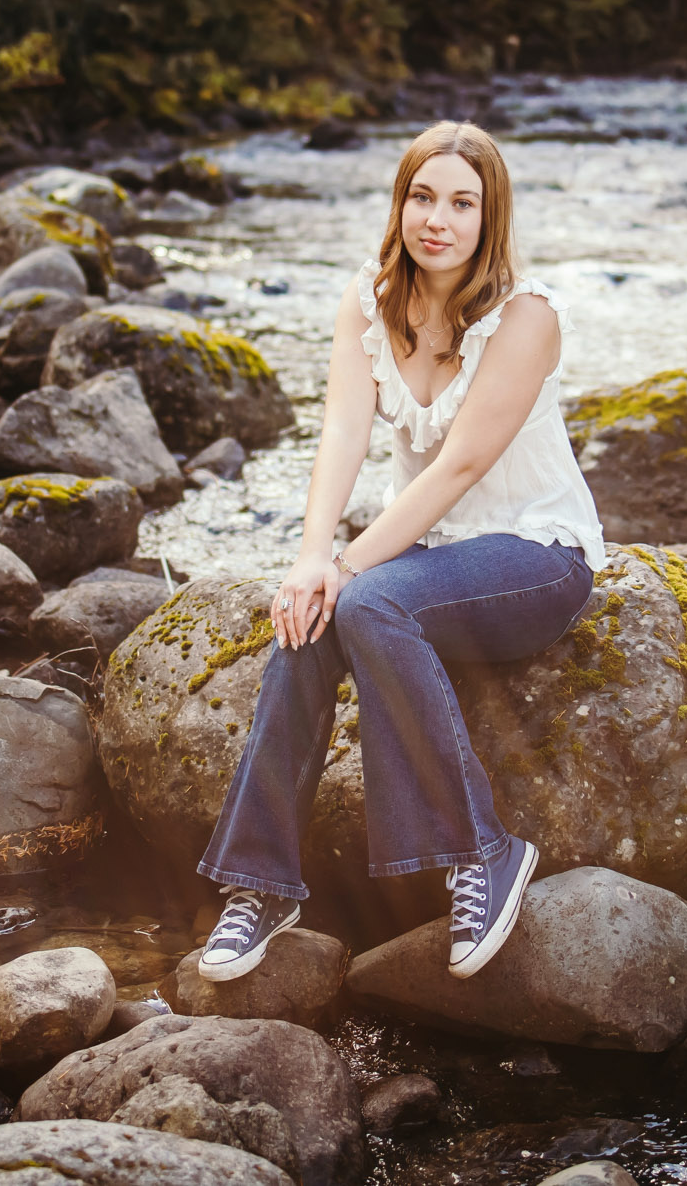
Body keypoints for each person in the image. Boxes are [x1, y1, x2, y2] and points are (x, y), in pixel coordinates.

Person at [194, 120, 606, 983]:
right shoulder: (370, 300)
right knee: (313, 616)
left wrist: (349, 567)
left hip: (535, 553)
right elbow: (342, 431)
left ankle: (484, 850)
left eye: (462, 203)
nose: (438, 220)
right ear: (400, 202)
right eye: (423, 196)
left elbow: (460, 465)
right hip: (427, 554)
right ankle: (260, 881)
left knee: (365, 597)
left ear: (490, 217)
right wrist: (313, 557)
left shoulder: (526, 316)